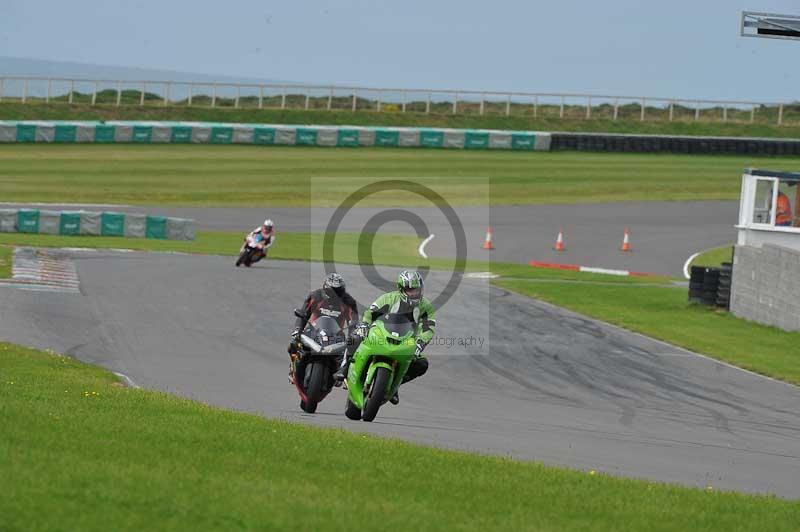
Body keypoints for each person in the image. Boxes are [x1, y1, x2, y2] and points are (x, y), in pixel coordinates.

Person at [333, 270, 435, 405]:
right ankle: (344, 367)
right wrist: (364, 325)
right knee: (355, 337)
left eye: (417, 289)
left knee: (422, 364)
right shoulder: (388, 299)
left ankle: (396, 384)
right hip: (381, 335)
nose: (414, 293)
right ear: (401, 289)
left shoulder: (425, 306)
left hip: (407, 341)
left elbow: (428, 329)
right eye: (410, 289)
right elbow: (370, 312)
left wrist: (419, 344)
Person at [288, 273, 358, 382]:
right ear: (326, 289)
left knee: (352, 350)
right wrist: (297, 330)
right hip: (313, 331)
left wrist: (353, 337)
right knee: (293, 343)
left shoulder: (348, 302)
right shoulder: (315, 296)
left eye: (339, 291)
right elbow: (303, 315)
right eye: (333, 291)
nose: (336, 294)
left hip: (336, 335)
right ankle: (293, 368)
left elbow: (353, 323)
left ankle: (342, 373)